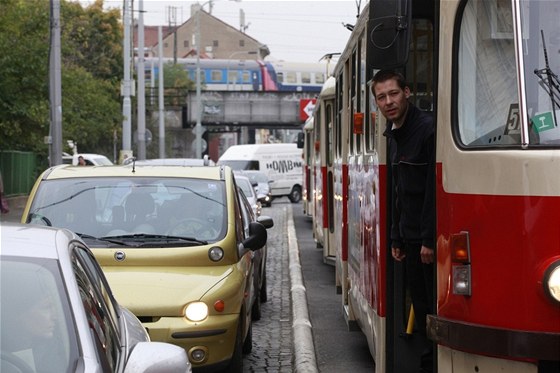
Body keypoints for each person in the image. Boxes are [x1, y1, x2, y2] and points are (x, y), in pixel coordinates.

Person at [372, 69, 435, 373]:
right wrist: (396, 237)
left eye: (393, 94)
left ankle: (430, 364)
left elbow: (431, 191)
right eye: (381, 97)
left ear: (407, 92)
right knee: (420, 305)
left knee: (428, 307)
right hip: (409, 238)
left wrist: (427, 239)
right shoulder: (395, 133)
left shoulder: (426, 130)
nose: (388, 102)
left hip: (424, 240)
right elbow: (399, 191)